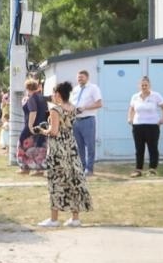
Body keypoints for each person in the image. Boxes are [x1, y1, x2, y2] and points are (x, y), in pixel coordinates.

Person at [36, 81, 92, 227]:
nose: (52, 95)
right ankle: (75, 218)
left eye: (54, 93)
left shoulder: (55, 110)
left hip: (58, 148)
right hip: (71, 146)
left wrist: (42, 130)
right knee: (73, 179)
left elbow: (54, 131)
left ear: (58, 94)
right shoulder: (72, 108)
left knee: (56, 181)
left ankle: (54, 219)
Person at [126, 75, 163, 177]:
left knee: (153, 148)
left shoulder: (156, 95)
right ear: (139, 86)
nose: (144, 87)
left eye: (146, 85)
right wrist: (130, 118)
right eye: (142, 85)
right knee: (139, 149)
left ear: (149, 85)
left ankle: (152, 169)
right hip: (138, 125)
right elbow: (131, 109)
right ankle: (138, 170)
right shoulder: (135, 96)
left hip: (152, 126)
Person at [69, 69, 103, 175]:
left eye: (82, 77)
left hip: (88, 120)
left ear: (87, 77)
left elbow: (99, 104)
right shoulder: (75, 89)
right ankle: (81, 167)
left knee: (90, 145)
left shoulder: (93, 88)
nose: (79, 79)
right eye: (78, 77)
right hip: (76, 120)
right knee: (79, 146)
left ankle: (89, 169)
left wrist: (85, 108)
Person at [18, 79, 50, 174]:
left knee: (22, 143)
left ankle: (25, 167)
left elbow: (33, 112)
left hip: (31, 124)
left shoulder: (31, 98)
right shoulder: (42, 97)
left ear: (27, 88)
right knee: (39, 145)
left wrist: (30, 125)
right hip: (42, 124)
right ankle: (39, 168)